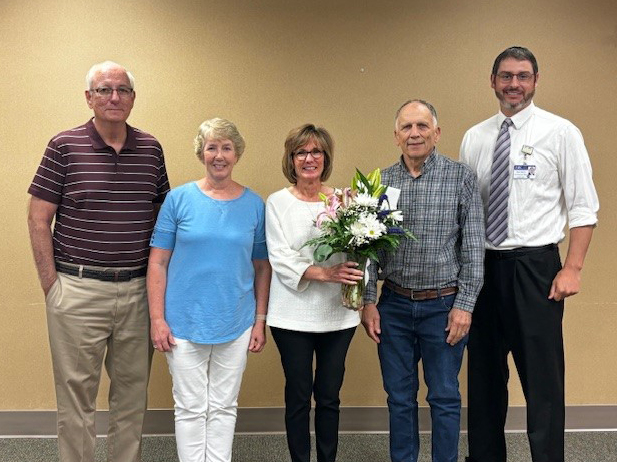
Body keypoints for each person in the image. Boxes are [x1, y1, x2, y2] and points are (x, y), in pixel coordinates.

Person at [459, 46, 599, 462]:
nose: (513, 84)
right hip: (482, 270)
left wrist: (572, 268)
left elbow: (583, 206)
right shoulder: (475, 137)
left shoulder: (561, 133)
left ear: (536, 81)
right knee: (483, 382)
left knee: (542, 381)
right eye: (505, 76)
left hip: (535, 269)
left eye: (522, 76)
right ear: (492, 81)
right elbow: (466, 211)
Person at [27, 61, 170, 462]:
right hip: (77, 290)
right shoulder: (64, 146)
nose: (114, 98)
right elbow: (38, 218)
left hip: (139, 293)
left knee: (132, 397)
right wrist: (52, 287)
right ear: (89, 97)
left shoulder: (152, 149)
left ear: (133, 99)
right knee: (76, 400)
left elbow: (163, 220)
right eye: (104, 90)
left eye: (122, 90)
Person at [362, 100, 485, 462]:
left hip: (443, 306)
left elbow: (474, 249)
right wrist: (369, 300)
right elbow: (367, 247)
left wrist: (465, 306)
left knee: (444, 396)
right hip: (394, 307)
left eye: (421, 126)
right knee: (399, 398)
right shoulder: (381, 182)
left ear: (436, 132)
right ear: (396, 136)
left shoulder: (460, 177)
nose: (414, 134)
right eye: (406, 127)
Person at [147, 118, 271, 462]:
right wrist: (157, 318)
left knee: (223, 406)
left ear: (237, 154)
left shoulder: (254, 205)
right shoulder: (178, 199)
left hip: (236, 321)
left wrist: (260, 320)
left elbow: (262, 266)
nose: (219, 155)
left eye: (227, 148)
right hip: (183, 323)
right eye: (212, 147)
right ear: (201, 153)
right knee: (189, 407)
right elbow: (157, 263)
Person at [265, 124, 363, 462]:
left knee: (329, 396)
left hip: (337, 316)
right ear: (291, 160)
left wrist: (353, 277)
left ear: (326, 157)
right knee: (297, 396)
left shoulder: (344, 201)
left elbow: (358, 251)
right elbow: (279, 256)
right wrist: (325, 273)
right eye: (301, 152)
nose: (309, 158)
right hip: (291, 316)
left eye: (316, 152)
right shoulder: (277, 202)